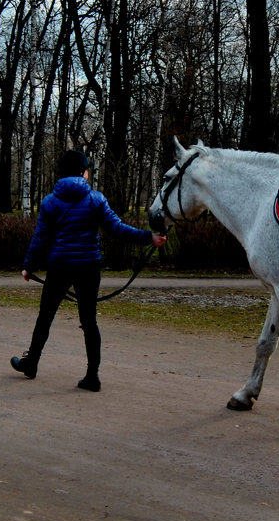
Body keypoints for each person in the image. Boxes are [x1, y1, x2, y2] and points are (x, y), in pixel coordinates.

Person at [13, 150, 166, 391]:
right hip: (89, 267)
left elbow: (40, 239)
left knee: (45, 317)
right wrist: (149, 238)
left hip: (59, 266)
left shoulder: (50, 202)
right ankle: (92, 376)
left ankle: (31, 364)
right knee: (89, 321)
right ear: (84, 172)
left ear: (61, 173)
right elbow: (117, 229)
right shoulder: (95, 199)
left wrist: (28, 267)